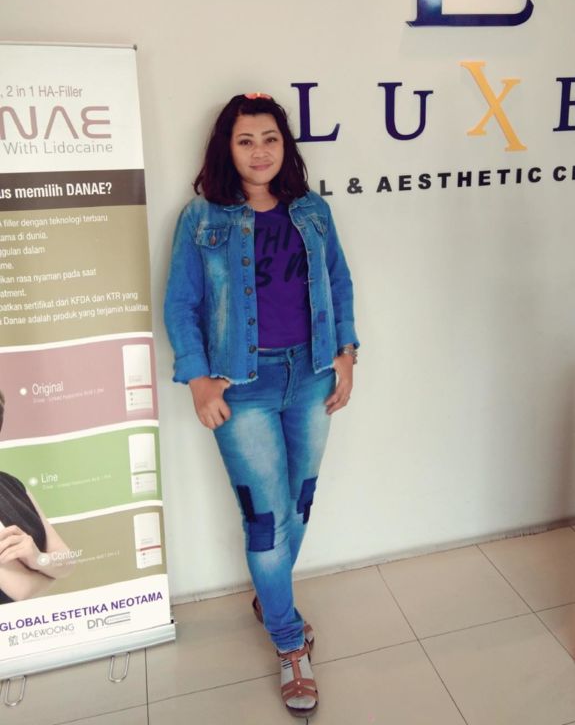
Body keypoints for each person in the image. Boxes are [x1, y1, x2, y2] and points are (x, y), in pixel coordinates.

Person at [164, 92, 358, 717]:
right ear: (227, 148)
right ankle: (288, 640)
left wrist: (347, 354)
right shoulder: (202, 218)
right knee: (265, 520)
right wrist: (198, 380)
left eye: (270, 139)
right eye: (246, 140)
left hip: (312, 374)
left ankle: (268, 596)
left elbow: (339, 282)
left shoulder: (313, 210)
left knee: (299, 502)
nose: (259, 151)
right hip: (241, 385)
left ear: (285, 146)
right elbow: (181, 304)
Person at [0, 391, 75, 602]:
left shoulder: (11, 483)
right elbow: (22, 589)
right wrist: (51, 573)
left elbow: (67, 560)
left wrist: (38, 559)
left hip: (38, 619)